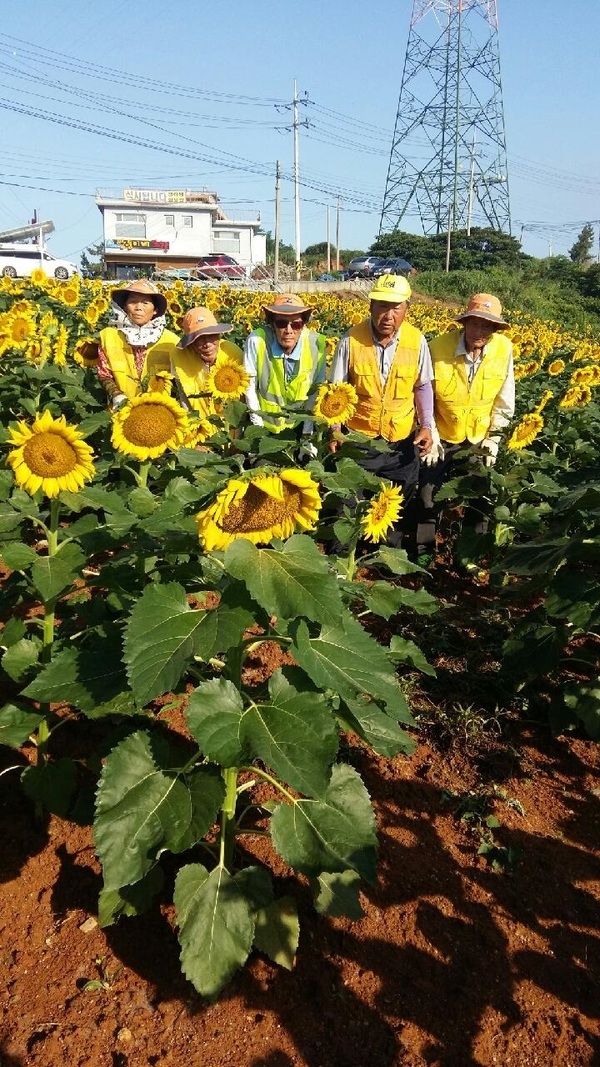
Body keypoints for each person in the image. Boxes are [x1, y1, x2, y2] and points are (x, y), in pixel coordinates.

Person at [328, 273, 434, 547]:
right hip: (360, 439)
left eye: (396, 307)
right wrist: (335, 430)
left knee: (395, 503)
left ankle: (386, 561)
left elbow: (422, 387)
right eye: (383, 306)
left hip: (400, 440)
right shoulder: (351, 340)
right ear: (371, 306)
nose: (389, 315)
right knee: (349, 501)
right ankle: (342, 559)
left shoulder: (417, 341)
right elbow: (335, 389)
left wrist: (426, 426)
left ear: (406, 309)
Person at [418, 292, 515, 551]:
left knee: (479, 497)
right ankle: (425, 552)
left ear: (495, 329)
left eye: (486, 325)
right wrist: (432, 434)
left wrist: (494, 437)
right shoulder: (437, 348)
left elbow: (505, 399)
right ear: (465, 322)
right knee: (428, 494)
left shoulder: (504, 349)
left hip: (479, 437)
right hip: (442, 435)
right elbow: (424, 396)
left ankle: (468, 553)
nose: (479, 331)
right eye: (474, 323)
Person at [243, 293, 327, 436]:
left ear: (303, 325)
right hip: (264, 425)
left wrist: (307, 433)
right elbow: (248, 385)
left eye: (296, 324)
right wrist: (257, 427)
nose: (288, 331)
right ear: (272, 323)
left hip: (300, 426)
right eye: (281, 323)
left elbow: (316, 391)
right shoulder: (257, 340)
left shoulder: (317, 344)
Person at [96, 279, 179, 409]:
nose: (138, 307)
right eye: (133, 302)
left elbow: (179, 382)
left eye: (145, 303)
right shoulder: (109, 336)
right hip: (119, 413)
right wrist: (116, 394)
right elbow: (104, 374)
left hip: (160, 415)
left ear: (155, 310)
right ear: (124, 307)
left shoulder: (171, 341)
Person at [171, 306, 243, 419]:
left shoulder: (233, 354)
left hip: (231, 430)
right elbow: (183, 396)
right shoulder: (180, 358)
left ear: (219, 335)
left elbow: (243, 399)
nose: (207, 344)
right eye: (199, 339)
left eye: (212, 336)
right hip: (199, 426)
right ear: (191, 343)